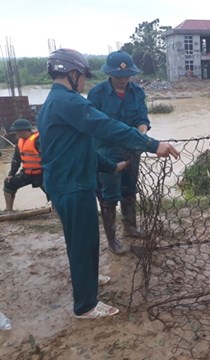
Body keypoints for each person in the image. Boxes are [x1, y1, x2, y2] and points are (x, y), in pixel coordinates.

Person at [37, 48, 180, 319]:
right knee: (81, 242)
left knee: (85, 239)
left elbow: (80, 147)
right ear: (73, 73)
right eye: (83, 76)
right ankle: (86, 306)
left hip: (69, 179)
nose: (84, 81)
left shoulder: (54, 102)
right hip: (72, 184)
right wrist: (153, 145)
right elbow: (106, 128)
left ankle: (88, 279)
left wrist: (110, 166)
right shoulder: (71, 102)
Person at [87, 50, 148, 255]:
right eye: (118, 76)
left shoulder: (138, 92)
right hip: (106, 149)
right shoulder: (96, 94)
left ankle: (130, 226)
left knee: (130, 189)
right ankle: (112, 239)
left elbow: (142, 118)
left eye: (126, 76)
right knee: (109, 195)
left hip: (131, 149)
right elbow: (94, 125)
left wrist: (142, 135)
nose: (123, 80)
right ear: (110, 74)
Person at [3, 119, 47, 211]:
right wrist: (11, 174)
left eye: (16, 131)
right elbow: (16, 160)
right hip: (27, 173)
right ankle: (9, 210)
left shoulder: (39, 140)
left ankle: (55, 210)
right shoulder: (20, 142)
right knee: (8, 183)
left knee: (52, 191)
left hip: (42, 174)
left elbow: (49, 158)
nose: (15, 133)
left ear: (23, 130)